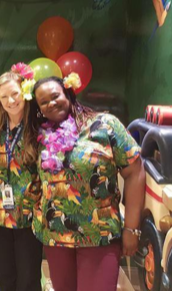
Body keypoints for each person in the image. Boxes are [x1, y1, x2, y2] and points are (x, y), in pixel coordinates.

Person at [31, 74, 145, 291]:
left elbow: (135, 172)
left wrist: (132, 228)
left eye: (55, 96)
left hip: (99, 233)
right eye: (43, 102)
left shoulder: (105, 125)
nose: (50, 103)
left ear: (68, 93)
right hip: (56, 236)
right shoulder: (40, 134)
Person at [0, 65, 43, 291]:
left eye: (14, 94)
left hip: (28, 215)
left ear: (25, 92)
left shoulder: (39, 128)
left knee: (28, 278)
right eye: (4, 96)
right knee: (4, 275)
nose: (10, 101)